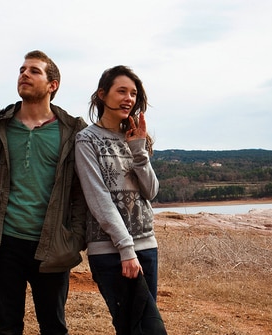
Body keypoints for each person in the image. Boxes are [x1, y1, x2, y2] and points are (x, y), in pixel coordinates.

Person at [0, 50, 88, 335]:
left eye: (34, 71)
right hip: (4, 244)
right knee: (6, 327)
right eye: (22, 69)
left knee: (53, 327)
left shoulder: (73, 132)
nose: (24, 74)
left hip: (51, 247)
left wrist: (74, 238)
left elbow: (80, 193)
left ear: (53, 85)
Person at [74, 65, 166, 334]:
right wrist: (126, 250)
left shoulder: (136, 138)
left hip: (147, 246)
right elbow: (98, 198)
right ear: (102, 95)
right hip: (110, 251)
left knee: (146, 326)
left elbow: (151, 191)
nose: (129, 98)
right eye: (122, 91)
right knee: (133, 328)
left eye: (134, 93)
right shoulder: (86, 139)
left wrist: (139, 150)